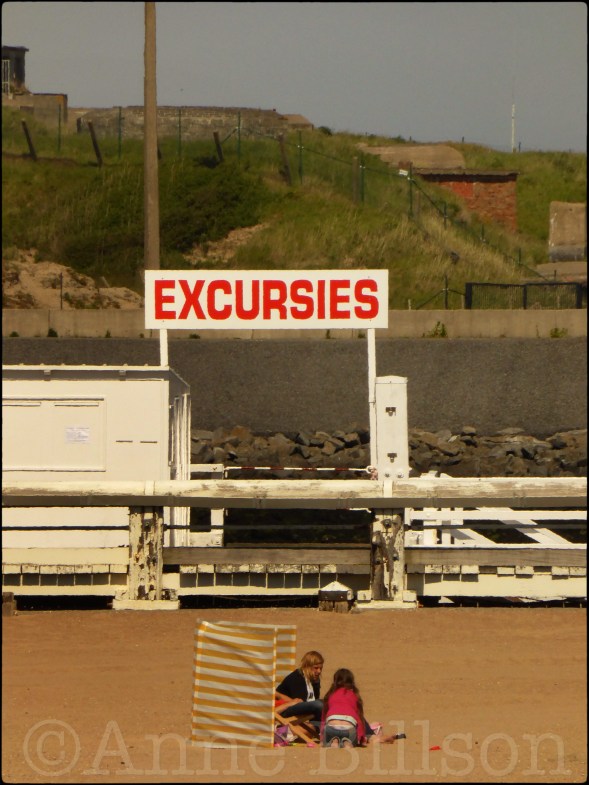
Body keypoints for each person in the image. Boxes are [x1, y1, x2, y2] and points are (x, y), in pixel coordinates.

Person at [321, 668, 367, 748]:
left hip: (332, 727)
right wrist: (361, 738)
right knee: (350, 741)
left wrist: (322, 737)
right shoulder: (354, 696)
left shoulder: (330, 695)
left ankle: (334, 741)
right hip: (348, 728)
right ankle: (347, 742)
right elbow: (359, 719)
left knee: (330, 740)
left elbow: (323, 719)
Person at [275, 650, 324, 724]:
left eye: (321, 668)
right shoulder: (297, 677)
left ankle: (316, 727)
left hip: (295, 706)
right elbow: (299, 701)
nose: (319, 671)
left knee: (324, 704)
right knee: (319, 704)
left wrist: (316, 684)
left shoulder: (313, 679)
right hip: (284, 708)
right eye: (316, 668)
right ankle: (316, 727)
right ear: (307, 666)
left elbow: (314, 699)